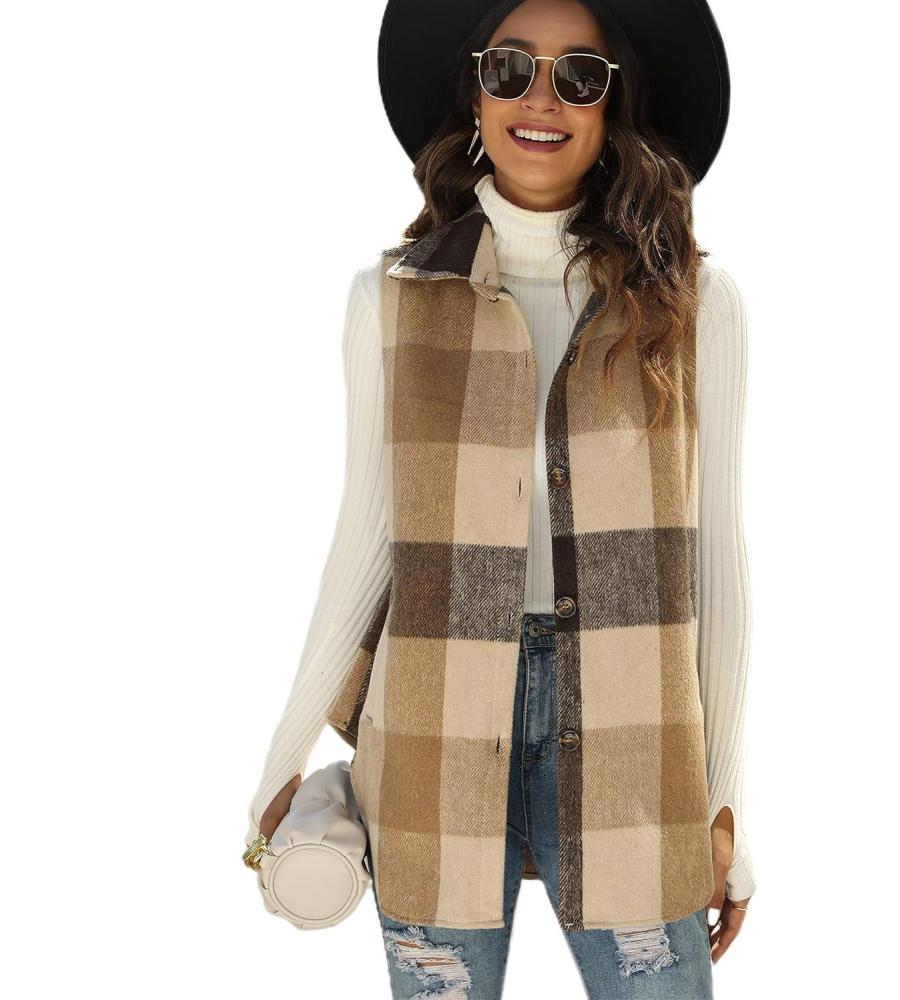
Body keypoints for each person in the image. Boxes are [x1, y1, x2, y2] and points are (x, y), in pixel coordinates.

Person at [244, 0, 755, 995]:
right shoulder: (392, 298)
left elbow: (715, 565)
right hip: (429, 726)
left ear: (614, 107)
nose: (540, 99)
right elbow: (366, 542)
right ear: (474, 93)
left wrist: (723, 807)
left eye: (579, 77)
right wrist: (281, 757)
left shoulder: (694, 303)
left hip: (638, 740)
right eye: (511, 67)